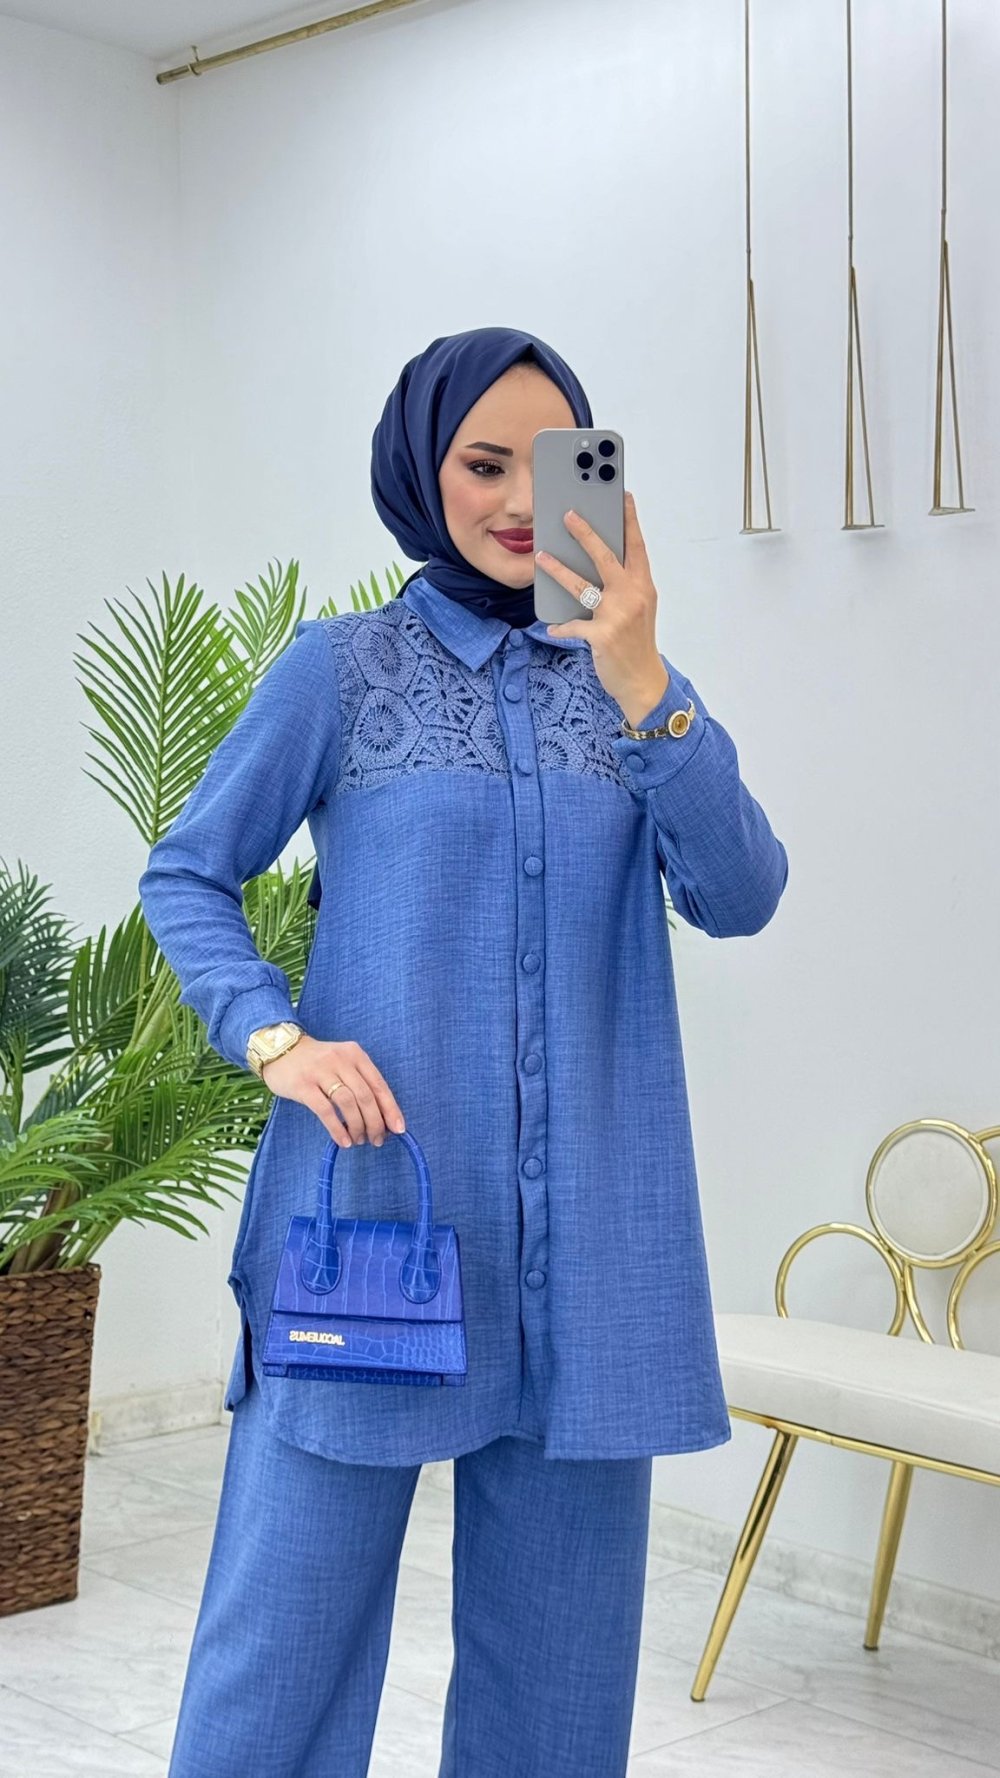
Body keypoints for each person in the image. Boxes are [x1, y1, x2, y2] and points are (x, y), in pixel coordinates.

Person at [137, 324, 789, 1778]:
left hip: (591, 1262)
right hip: (372, 1224)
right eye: (482, 463)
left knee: (558, 1686)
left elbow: (741, 892)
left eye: (551, 466)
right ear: (422, 471)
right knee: (280, 1652)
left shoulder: (631, 688)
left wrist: (642, 673)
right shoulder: (340, 671)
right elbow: (188, 872)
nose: (517, 500)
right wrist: (275, 1036)